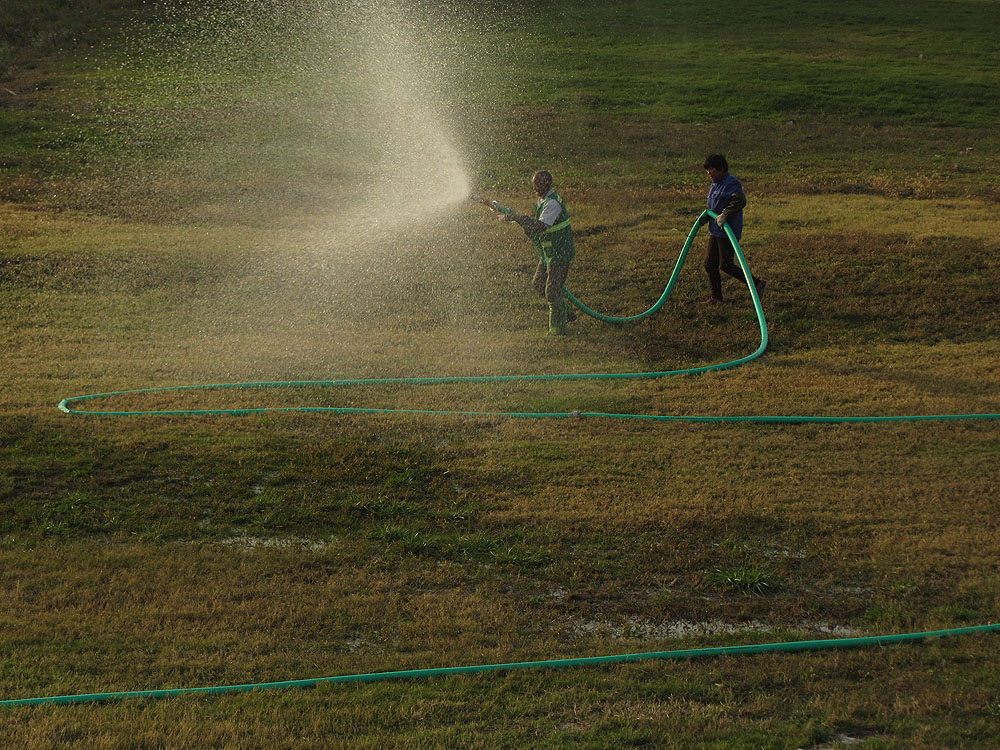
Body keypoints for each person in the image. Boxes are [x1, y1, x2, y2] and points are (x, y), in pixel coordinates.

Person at [484, 171, 576, 335]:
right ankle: (565, 314)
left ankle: (558, 331)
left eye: (538, 185)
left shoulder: (552, 204)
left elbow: (539, 227)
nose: (535, 189)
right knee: (539, 284)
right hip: (549, 252)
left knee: (552, 291)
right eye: (534, 185)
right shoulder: (542, 200)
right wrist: (513, 219)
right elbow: (534, 228)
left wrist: (519, 219)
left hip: (559, 252)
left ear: (547, 184)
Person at [699, 154, 767, 304]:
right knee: (710, 264)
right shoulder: (714, 184)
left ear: (722, 169)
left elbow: (739, 200)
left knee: (726, 265)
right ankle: (716, 297)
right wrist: (707, 217)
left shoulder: (731, 183)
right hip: (715, 230)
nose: (710, 173)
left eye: (713, 170)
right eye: (708, 171)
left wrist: (725, 214)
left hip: (728, 231)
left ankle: (758, 284)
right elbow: (714, 205)